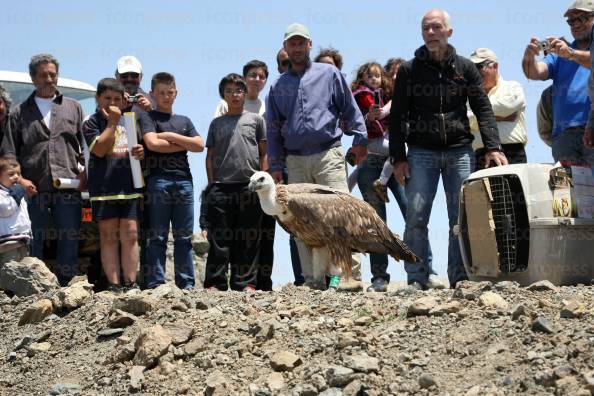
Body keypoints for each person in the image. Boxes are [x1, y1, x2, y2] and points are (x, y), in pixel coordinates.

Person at [389, 9, 507, 290]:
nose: (431, 33)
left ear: (449, 32)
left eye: (436, 27)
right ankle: (417, 277)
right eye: (426, 28)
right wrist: (398, 158)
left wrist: (493, 146)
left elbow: (483, 108)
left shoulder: (466, 68)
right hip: (421, 152)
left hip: (459, 151)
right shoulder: (409, 70)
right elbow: (398, 117)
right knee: (416, 215)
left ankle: (460, 277)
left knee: (460, 217)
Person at [266, 22, 366, 290]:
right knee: (301, 223)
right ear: (285, 48)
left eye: (301, 42)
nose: (296, 47)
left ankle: (347, 277)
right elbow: (273, 130)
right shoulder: (277, 87)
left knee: (341, 216)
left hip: (328, 155)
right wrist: (275, 166)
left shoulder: (329, 74)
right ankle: (313, 280)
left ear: (309, 45)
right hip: (295, 161)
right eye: (291, 43)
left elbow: (350, 108)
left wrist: (360, 138)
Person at [2, 53, 85, 286]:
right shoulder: (19, 112)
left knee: (69, 239)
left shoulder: (74, 107)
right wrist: (20, 180)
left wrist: (85, 173)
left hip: (68, 186)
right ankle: (36, 288)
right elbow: (9, 153)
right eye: (43, 75)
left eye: (53, 74)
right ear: (33, 79)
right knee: (33, 239)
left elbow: (85, 147)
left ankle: (69, 288)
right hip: (33, 188)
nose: (49, 79)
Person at [139, 72, 204, 290]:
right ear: (152, 94)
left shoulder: (184, 120)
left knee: (184, 237)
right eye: (161, 93)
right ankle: (156, 283)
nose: (166, 97)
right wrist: (185, 143)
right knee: (157, 235)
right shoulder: (148, 117)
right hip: (159, 180)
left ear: (176, 93)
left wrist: (171, 137)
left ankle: (186, 284)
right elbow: (152, 144)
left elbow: (199, 145)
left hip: (184, 181)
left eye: (170, 92)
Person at [203, 73, 268, 291]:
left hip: (249, 187)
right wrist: (212, 185)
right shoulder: (216, 123)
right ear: (223, 95)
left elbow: (263, 153)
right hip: (221, 187)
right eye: (229, 91)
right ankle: (215, 282)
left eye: (238, 90)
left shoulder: (256, 120)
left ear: (245, 93)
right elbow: (210, 156)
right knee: (219, 239)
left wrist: (264, 184)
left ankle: (246, 283)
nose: (234, 95)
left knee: (248, 239)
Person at [82, 78, 145, 293]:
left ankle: (130, 282)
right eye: (107, 98)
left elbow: (136, 149)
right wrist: (111, 123)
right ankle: (114, 284)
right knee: (108, 236)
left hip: (129, 185)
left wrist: (140, 152)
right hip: (103, 188)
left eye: (117, 99)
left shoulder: (130, 121)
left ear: (123, 100)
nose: (112, 102)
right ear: (98, 98)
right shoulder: (91, 122)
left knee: (131, 234)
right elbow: (99, 149)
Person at [522, 0, 594, 165]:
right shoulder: (560, 53)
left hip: (591, 128)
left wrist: (570, 53)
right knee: (568, 190)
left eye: (581, 18)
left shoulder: (566, 51)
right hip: (565, 135)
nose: (575, 24)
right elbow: (534, 72)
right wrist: (529, 57)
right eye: (571, 21)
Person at [469, 48, 528, 170]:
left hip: (513, 154)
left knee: (515, 190)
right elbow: (465, 120)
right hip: (480, 156)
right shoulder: (468, 95)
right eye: (472, 67)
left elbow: (508, 106)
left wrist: (480, 117)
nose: (475, 71)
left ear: (495, 66)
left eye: (479, 66)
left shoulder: (513, 87)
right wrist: (498, 115)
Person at [275, 48, 305, 287]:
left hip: (314, 161)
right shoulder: (276, 94)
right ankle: (302, 278)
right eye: (284, 63)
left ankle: (331, 277)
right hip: (286, 169)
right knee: (294, 224)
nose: (288, 66)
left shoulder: (312, 88)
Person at [0, 155, 31, 264]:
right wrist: (15, 196)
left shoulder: (16, 192)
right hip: (7, 245)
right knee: (9, 273)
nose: (16, 177)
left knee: (23, 272)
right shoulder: (3, 193)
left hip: (21, 241)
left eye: (18, 173)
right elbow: (4, 209)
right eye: (11, 174)